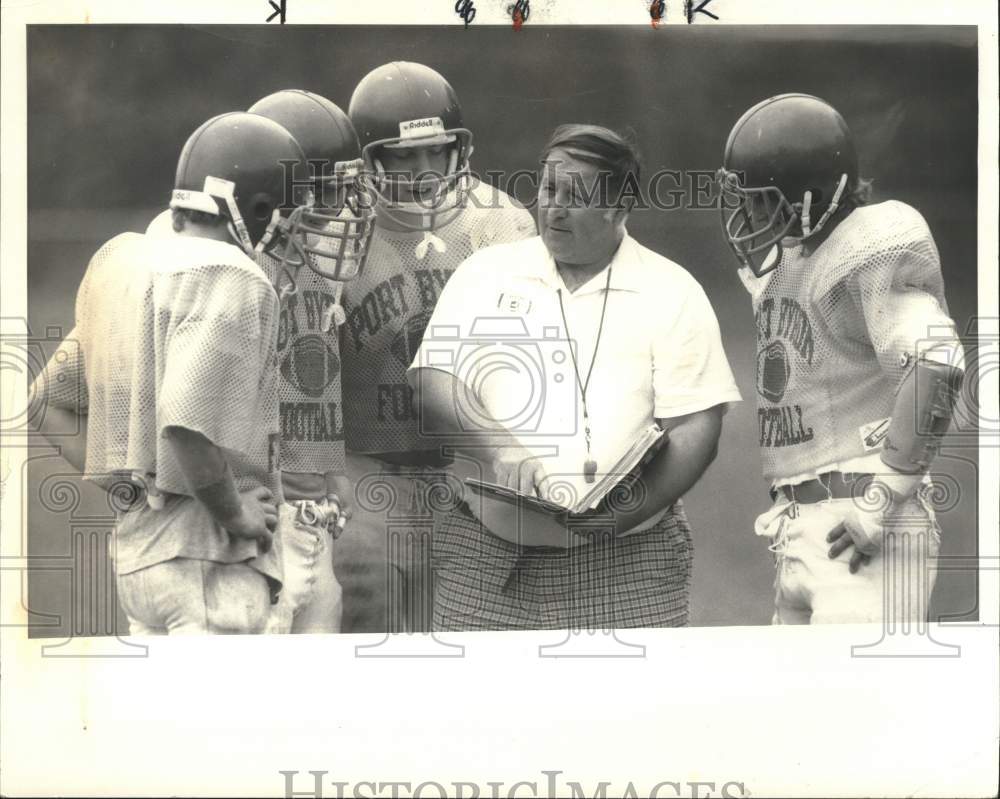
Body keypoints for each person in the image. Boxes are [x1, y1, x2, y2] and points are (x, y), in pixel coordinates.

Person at [409, 124, 742, 631]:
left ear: (619, 206)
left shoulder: (672, 290)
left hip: (628, 563)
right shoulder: (486, 272)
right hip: (484, 554)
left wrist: (614, 520)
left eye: (576, 196)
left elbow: (696, 428)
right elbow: (433, 382)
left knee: (626, 709)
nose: (553, 209)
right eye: (547, 189)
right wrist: (501, 449)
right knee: (477, 709)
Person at [31, 112, 313, 634]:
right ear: (257, 209)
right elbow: (185, 422)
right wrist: (233, 514)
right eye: (292, 218)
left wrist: (130, 487)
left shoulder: (131, 260)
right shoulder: (229, 276)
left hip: (142, 561)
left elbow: (46, 402)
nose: (295, 235)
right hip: (209, 562)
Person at [716, 93, 965, 624]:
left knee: (849, 703)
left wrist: (883, 499)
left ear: (809, 195)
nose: (749, 213)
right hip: (799, 525)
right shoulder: (794, 261)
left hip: (861, 520)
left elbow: (936, 362)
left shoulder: (869, 243)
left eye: (762, 198)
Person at [334, 61, 536, 633]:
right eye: (401, 154)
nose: (423, 169)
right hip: (368, 472)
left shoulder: (499, 223)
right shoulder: (338, 229)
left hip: (469, 471)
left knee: (469, 644)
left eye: (435, 149)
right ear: (369, 158)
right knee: (366, 616)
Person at [247, 89, 376, 633]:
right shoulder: (228, 274)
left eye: (347, 188)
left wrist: (329, 474)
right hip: (257, 528)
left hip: (315, 521)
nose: (344, 209)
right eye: (325, 192)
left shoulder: (319, 269)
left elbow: (311, 380)